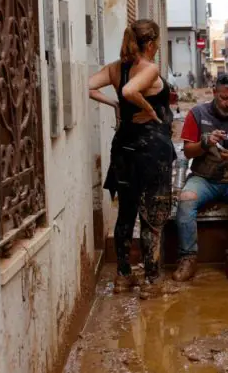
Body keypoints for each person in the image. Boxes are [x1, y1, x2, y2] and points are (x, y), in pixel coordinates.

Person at [88, 19, 176, 299]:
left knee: (126, 213)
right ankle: (151, 281)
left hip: (124, 148)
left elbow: (88, 85)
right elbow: (129, 91)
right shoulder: (149, 68)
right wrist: (150, 109)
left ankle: (123, 277)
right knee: (152, 215)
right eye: (157, 43)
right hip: (150, 152)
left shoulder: (116, 68)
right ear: (150, 44)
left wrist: (113, 104)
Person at [172, 73, 228, 282]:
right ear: (214, 92)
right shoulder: (197, 113)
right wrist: (205, 143)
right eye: (224, 98)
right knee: (185, 200)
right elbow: (187, 152)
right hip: (204, 178)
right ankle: (188, 257)